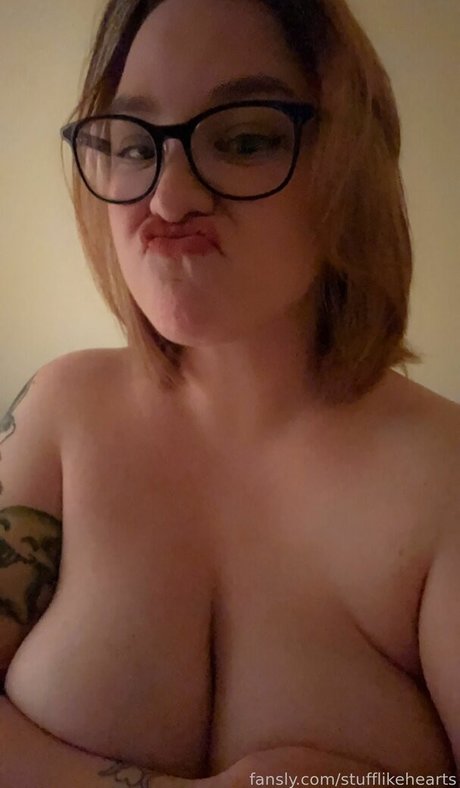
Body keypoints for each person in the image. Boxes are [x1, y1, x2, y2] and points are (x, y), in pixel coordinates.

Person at [0, 0, 459, 785]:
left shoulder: (444, 478)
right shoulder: (60, 412)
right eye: (134, 145)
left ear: (347, 167)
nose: (167, 201)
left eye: (244, 140)